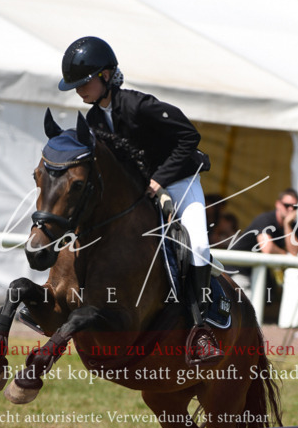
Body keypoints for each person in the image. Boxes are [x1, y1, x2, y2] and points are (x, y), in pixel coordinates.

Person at [58, 35, 223, 364]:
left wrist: (159, 180)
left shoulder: (139, 105)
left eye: (84, 82)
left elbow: (189, 136)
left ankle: (201, 330)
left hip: (178, 181)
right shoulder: (92, 121)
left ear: (106, 76)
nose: (79, 89)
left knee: (198, 246)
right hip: (139, 192)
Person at [232, 189, 298, 290]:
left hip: (259, 272)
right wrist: (284, 254)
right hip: (238, 270)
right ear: (278, 204)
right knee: (245, 303)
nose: (291, 209)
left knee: (270, 300)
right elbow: (267, 248)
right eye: (287, 205)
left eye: (294, 207)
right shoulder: (265, 219)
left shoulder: (293, 226)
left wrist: (287, 225)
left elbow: (294, 252)